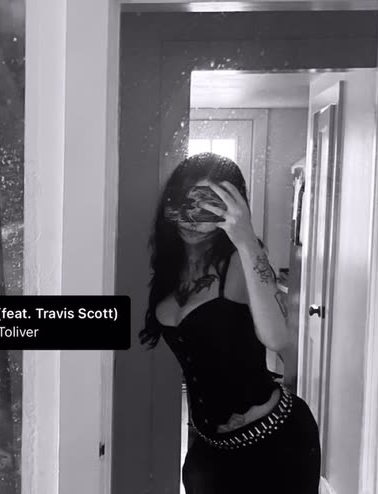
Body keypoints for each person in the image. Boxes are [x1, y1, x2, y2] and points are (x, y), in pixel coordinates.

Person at [139, 153, 321, 493]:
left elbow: (277, 338)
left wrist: (246, 237)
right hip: (209, 450)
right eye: (184, 202)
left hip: (273, 444)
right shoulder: (169, 267)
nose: (192, 218)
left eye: (210, 205)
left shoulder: (240, 261)